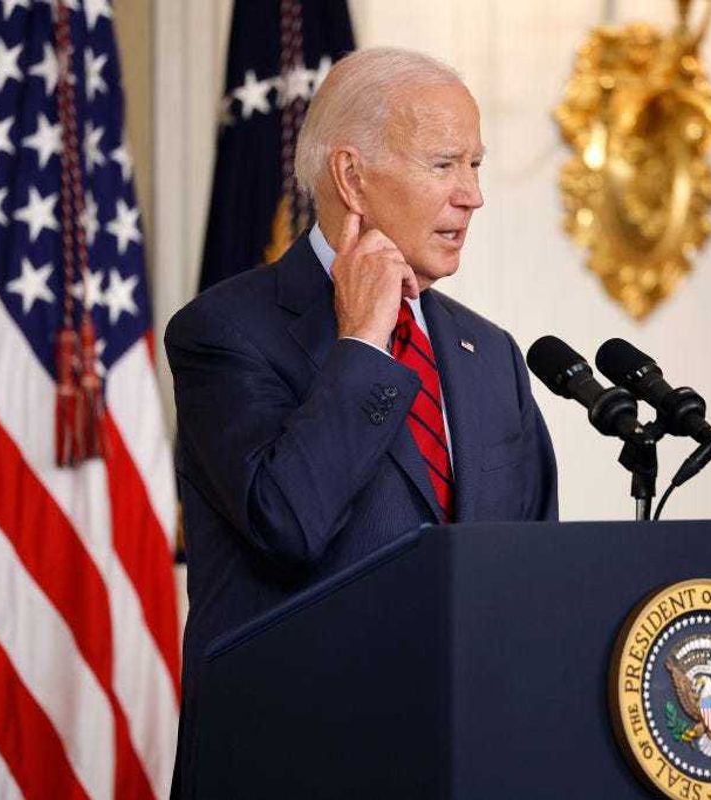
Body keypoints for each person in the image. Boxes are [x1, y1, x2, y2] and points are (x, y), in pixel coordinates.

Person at [164, 47, 558, 793]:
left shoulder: (491, 355)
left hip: (468, 766)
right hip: (295, 769)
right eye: (445, 165)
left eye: (475, 164)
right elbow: (289, 521)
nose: (473, 195)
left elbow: (535, 573)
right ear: (352, 177)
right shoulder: (225, 332)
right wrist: (363, 345)